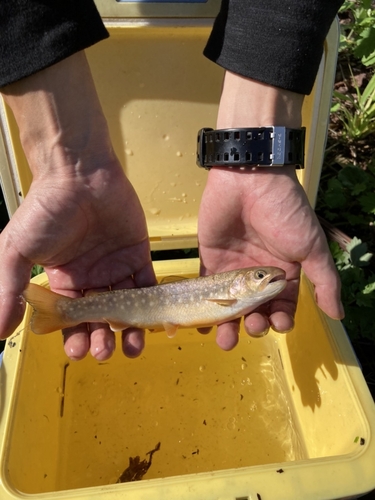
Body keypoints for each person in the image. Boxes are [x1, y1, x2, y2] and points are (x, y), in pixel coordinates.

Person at [0, 0, 344, 361]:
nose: (267, 277)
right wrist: (64, 169)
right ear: (238, 285)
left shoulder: (235, 293)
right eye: (259, 276)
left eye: (259, 276)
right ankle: (63, 310)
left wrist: (66, 163)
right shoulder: (232, 294)